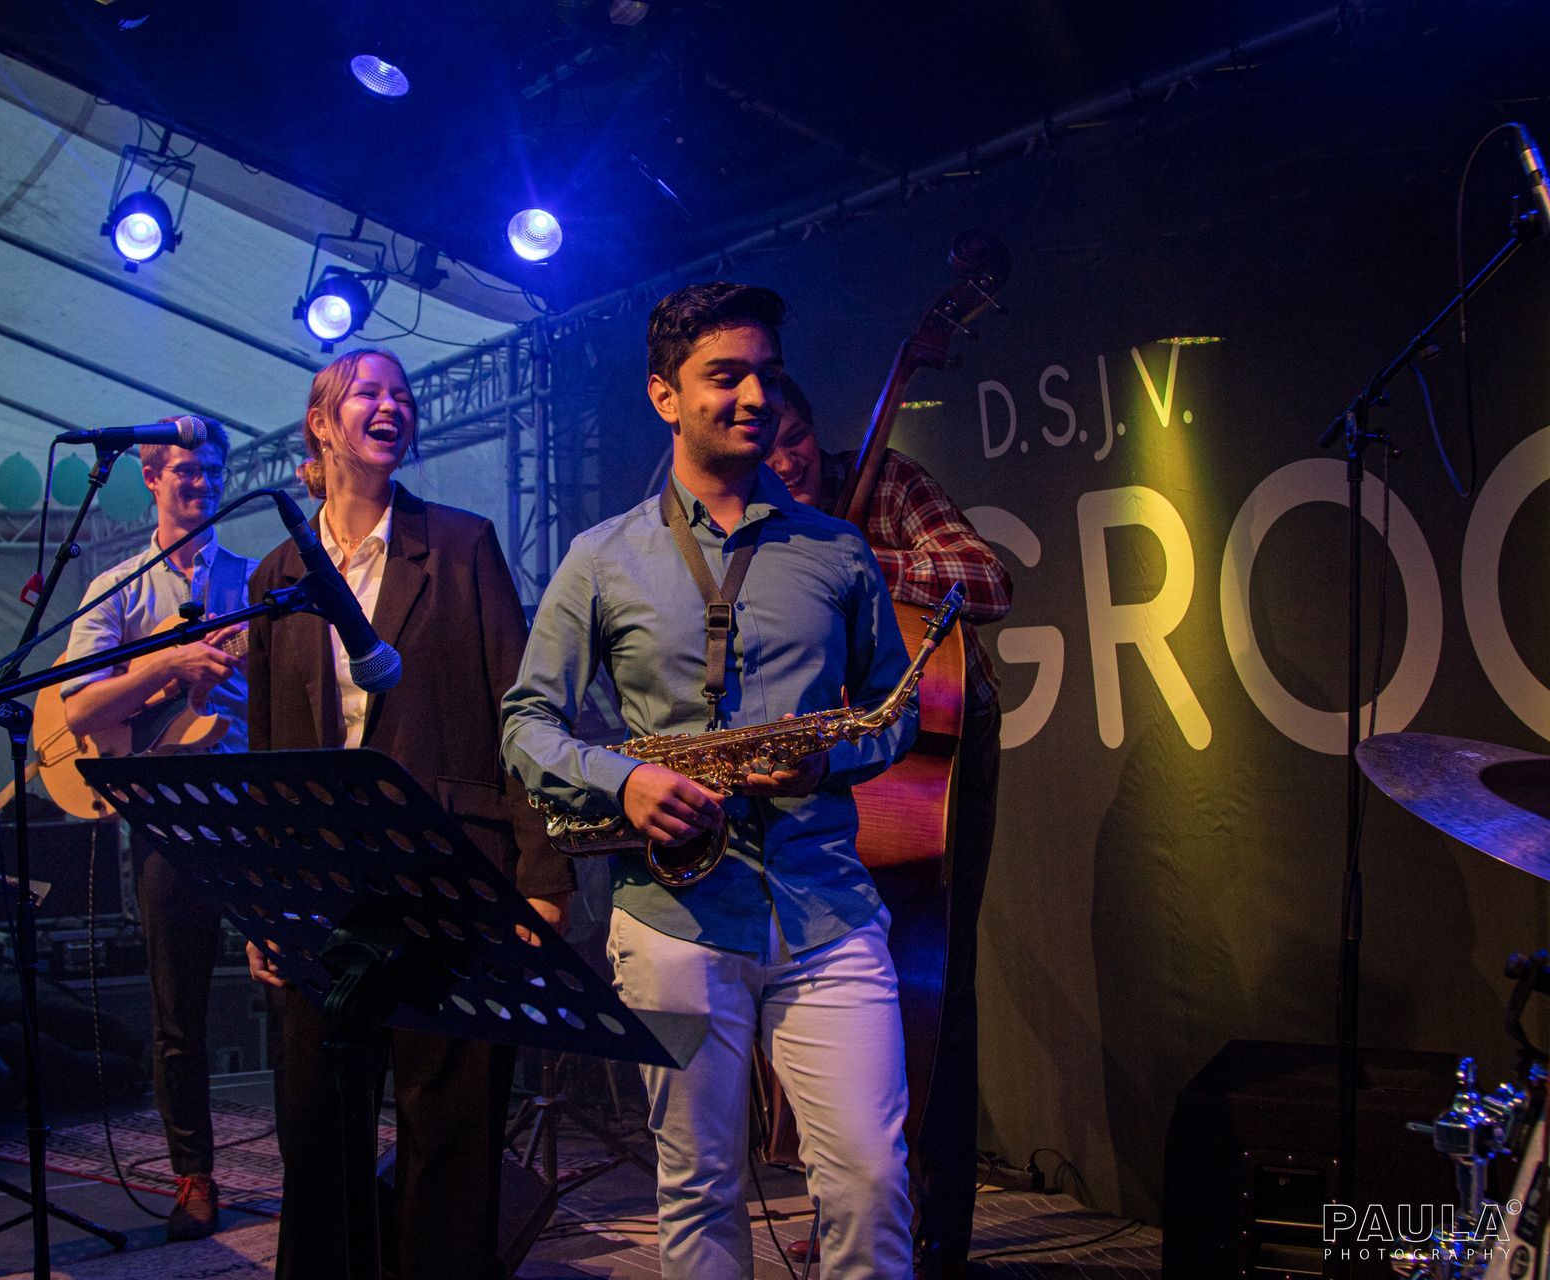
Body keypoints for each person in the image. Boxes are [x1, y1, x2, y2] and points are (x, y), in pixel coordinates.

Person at [502, 283, 919, 1279]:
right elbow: (526, 724)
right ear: (664, 395)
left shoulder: (836, 549)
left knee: (870, 1179)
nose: (755, 396)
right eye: (724, 375)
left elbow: (893, 708)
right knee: (698, 1189)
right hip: (671, 921)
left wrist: (830, 757)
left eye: (766, 375)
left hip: (827, 908)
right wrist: (625, 783)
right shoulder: (599, 558)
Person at [243, 347, 574, 1280]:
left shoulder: (461, 544)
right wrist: (265, 902)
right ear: (321, 424)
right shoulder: (278, 573)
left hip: (452, 874)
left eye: (403, 394)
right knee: (319, 1131)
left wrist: (543, 875)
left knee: (450, 1133)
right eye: (369, 393)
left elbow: (519, 713)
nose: (392, 405)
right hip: (321, 889)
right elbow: (269, 751)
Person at [768, 373, 1012, 1279]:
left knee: (934, 984)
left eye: (795, 439)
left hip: (939, 753)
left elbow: (989, 581)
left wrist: (858, 559)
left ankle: (939, 1228)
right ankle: (857, 1210)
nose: (784, 461)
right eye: (766, 447)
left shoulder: (888, 482)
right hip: (832, 768)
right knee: (832, 985)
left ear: (815, 431)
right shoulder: (758, 523)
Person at [60, 414, 254, 1241]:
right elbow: (77, 708)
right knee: (179, 1012)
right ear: (149, 477)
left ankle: (322, 1154)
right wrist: (170, 664)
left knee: (296, 981)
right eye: (185, 470)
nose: (201, 482)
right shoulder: (118, 586)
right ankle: (194, 1177)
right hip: (169, 817)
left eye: (211, 470)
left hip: (257, 807)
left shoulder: (256, 578)